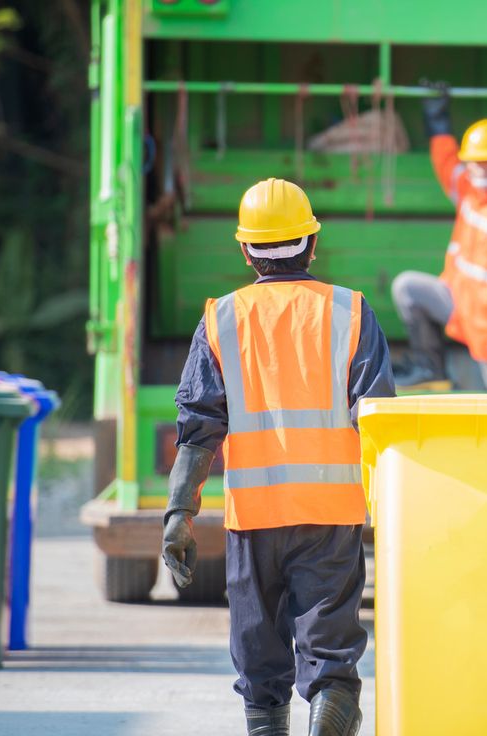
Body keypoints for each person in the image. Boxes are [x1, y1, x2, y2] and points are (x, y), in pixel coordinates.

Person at [161, 177, 395, 736]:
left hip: (254, 521)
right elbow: (382, 421)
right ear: (312, 244)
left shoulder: (221, 319)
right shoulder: (352, 312)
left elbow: (199, 427)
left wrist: (178, 514)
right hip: (331, 518)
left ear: (245, 250)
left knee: (260, 664)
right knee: (331, 662)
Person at [392, 82, 487, 393]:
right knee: (407, 287)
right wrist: (438, 123)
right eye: (476, 160)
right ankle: (430, 368)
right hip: (459, 302)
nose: (481, 167)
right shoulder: (469, 192)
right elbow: (446, 163)